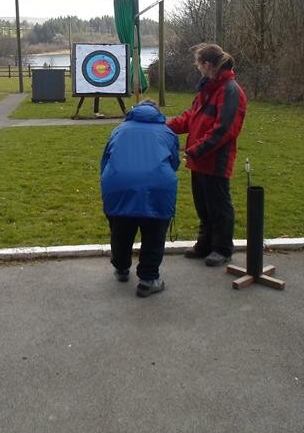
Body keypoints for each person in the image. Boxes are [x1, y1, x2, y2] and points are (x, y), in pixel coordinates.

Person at [167, 43, 247, 267]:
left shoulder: (230, 91)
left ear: (207, 65)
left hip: (216, 160)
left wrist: (195, 150)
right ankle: (205, 244)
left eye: (198, 63)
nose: (197, 67)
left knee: (218, 205)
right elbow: (191, 117)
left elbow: (224, 130)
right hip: (199, 159)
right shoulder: (207, 88)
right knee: (203, 205)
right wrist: (164, 125)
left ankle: (222, 249)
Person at [100, 99, 180, 297]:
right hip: (158, 188)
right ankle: (148, 278)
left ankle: (121, 266)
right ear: (157, 112)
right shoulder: (168, 132)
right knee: (154, 234)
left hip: (118, 186)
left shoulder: (119, 130)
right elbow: (174, 162)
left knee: (121, 230)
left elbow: (106, 159)